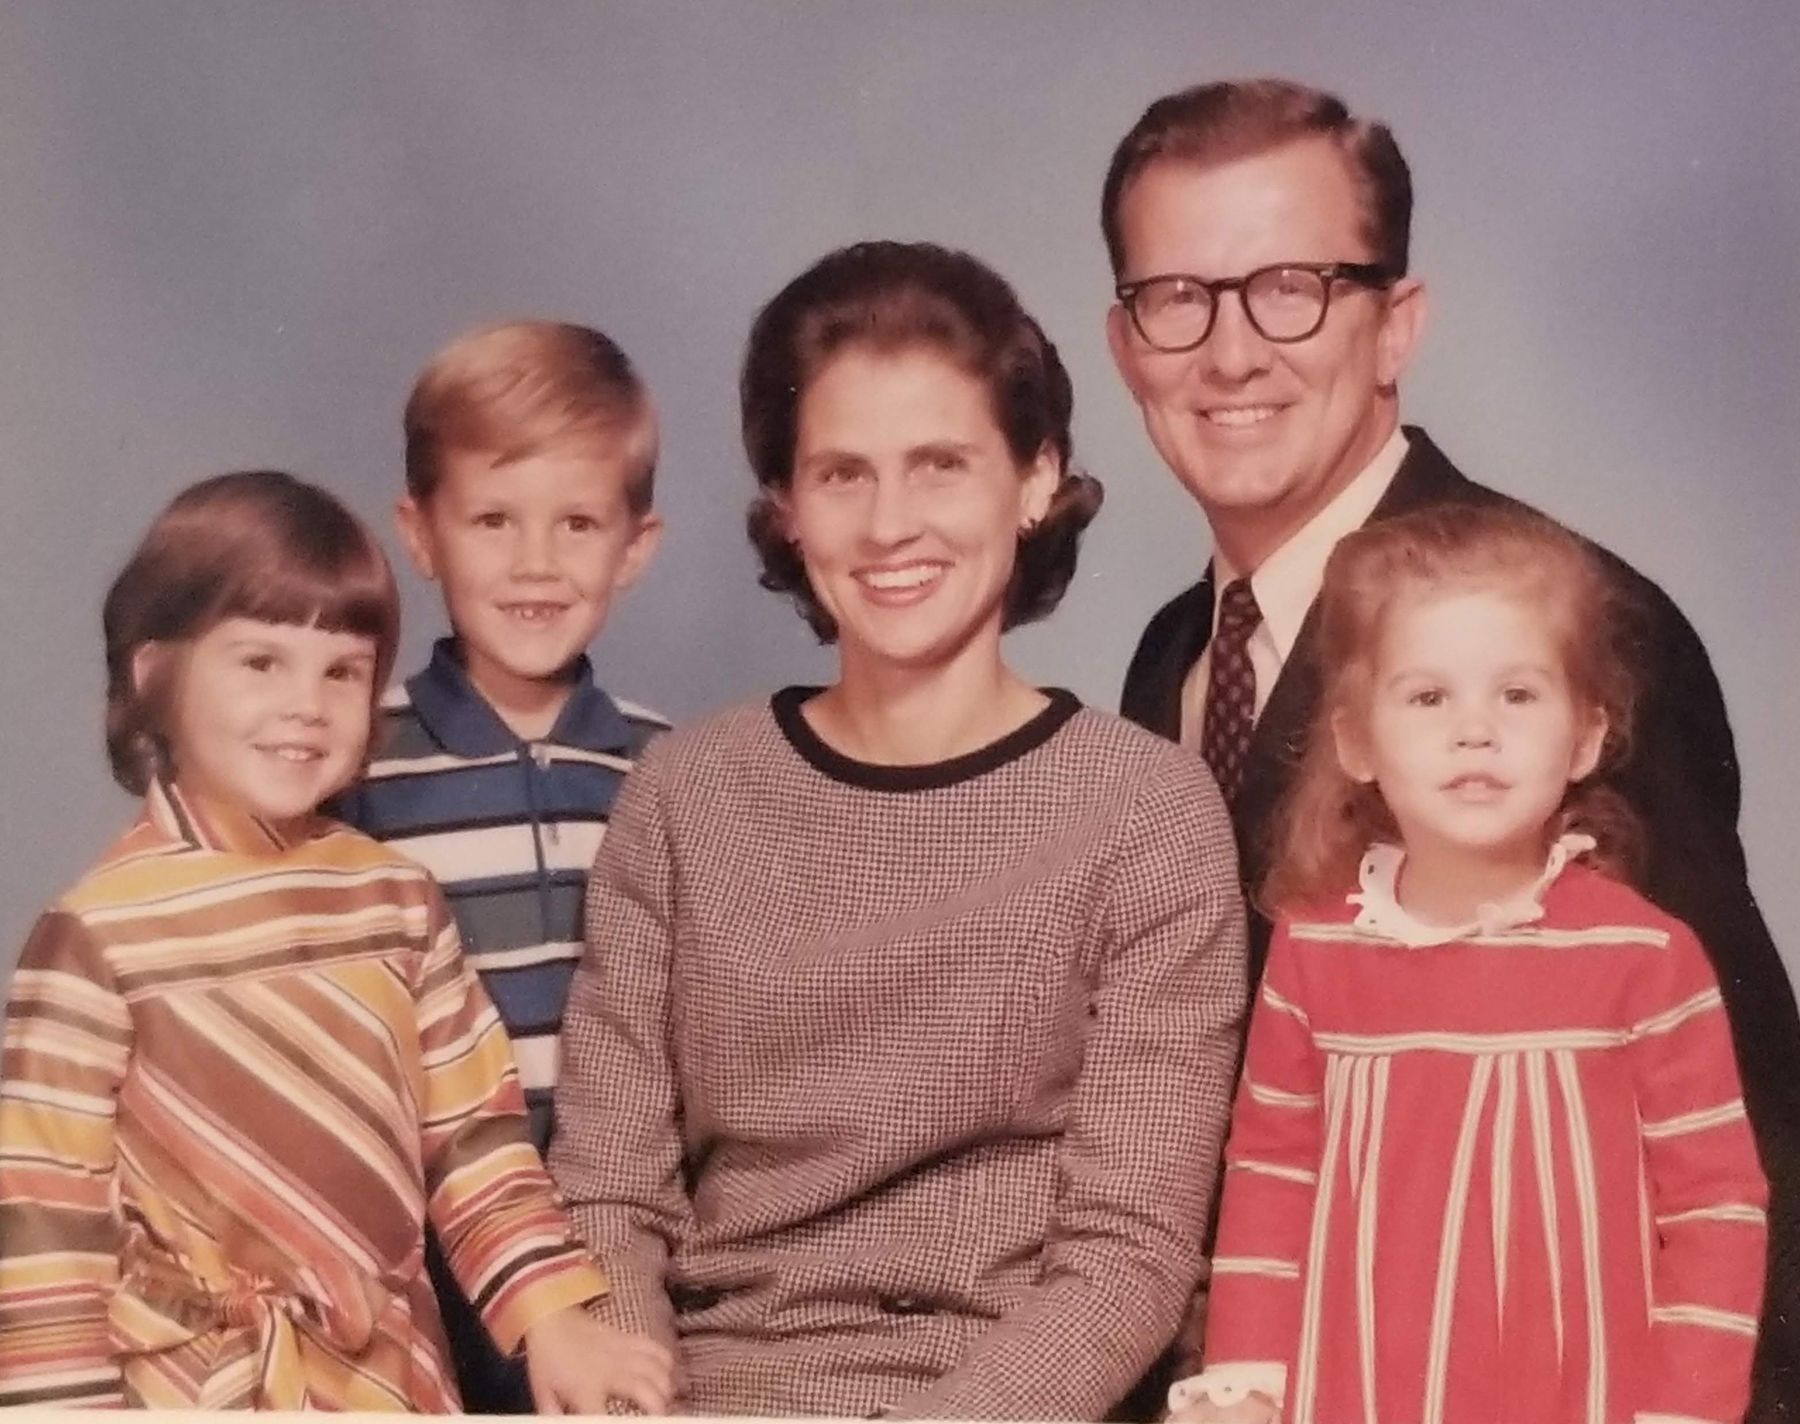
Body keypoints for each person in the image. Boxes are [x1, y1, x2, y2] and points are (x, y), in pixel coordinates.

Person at [1101, 77, 1800, 1412]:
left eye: (1292, 287)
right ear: (1126, 343)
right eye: (1177, 296)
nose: (1230, 353)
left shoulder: (1574, 628)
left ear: (1396, 326)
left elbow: (1740, 1143)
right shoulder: (1172, 652)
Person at [549, 240, 1249, 1419]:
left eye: (940, 465)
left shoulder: (1146, 812)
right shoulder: (684, 794)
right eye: (841, 474)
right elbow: (608, 1191)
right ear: (787, 507)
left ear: (1034, 478)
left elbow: (1129, 1252)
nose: (889, 524)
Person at [0, 471, 673, 1413]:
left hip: (390, 1381)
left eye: (343, 671)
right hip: (185, 1391)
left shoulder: (395, 899)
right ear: (154, 674)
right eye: (260, 663)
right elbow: (46, 1227)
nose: (307, 705)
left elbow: (473, 1143)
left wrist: (550, 1317)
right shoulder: (95, 936)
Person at [1176, 504, 1767, 1423]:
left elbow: (1715, 1207)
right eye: (1428, 697)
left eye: (1518, 695)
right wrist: (1245, 1382)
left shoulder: (1646, 960)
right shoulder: (1315, 951)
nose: (1475, 731)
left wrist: (1685, 1410)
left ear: (1586, 735)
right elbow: (1271, 1176)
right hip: (1353, 1395)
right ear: (1356, 740)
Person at [330, 320, 665, 1410]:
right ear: (420, 533)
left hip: (615, 1250)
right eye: (492, 519)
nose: (535, 563)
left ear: (634, 546)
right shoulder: (354, 761)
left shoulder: (666, 769)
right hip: (418, 1249)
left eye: (578, 522)